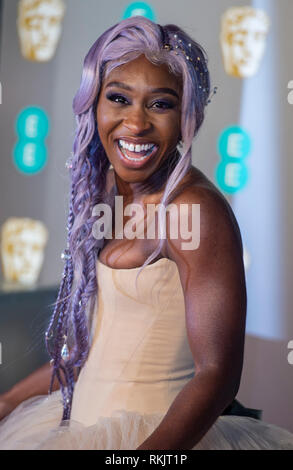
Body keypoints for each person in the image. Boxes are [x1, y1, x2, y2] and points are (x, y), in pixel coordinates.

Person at [0, 16, 293, 450]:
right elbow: (87, 357)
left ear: (187, 115)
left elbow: (218, 374)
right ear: (93, 103)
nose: (136, 124)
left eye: (160, 104)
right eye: (118, 99)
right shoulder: (107, 199)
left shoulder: (194, 210)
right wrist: (7, 402)